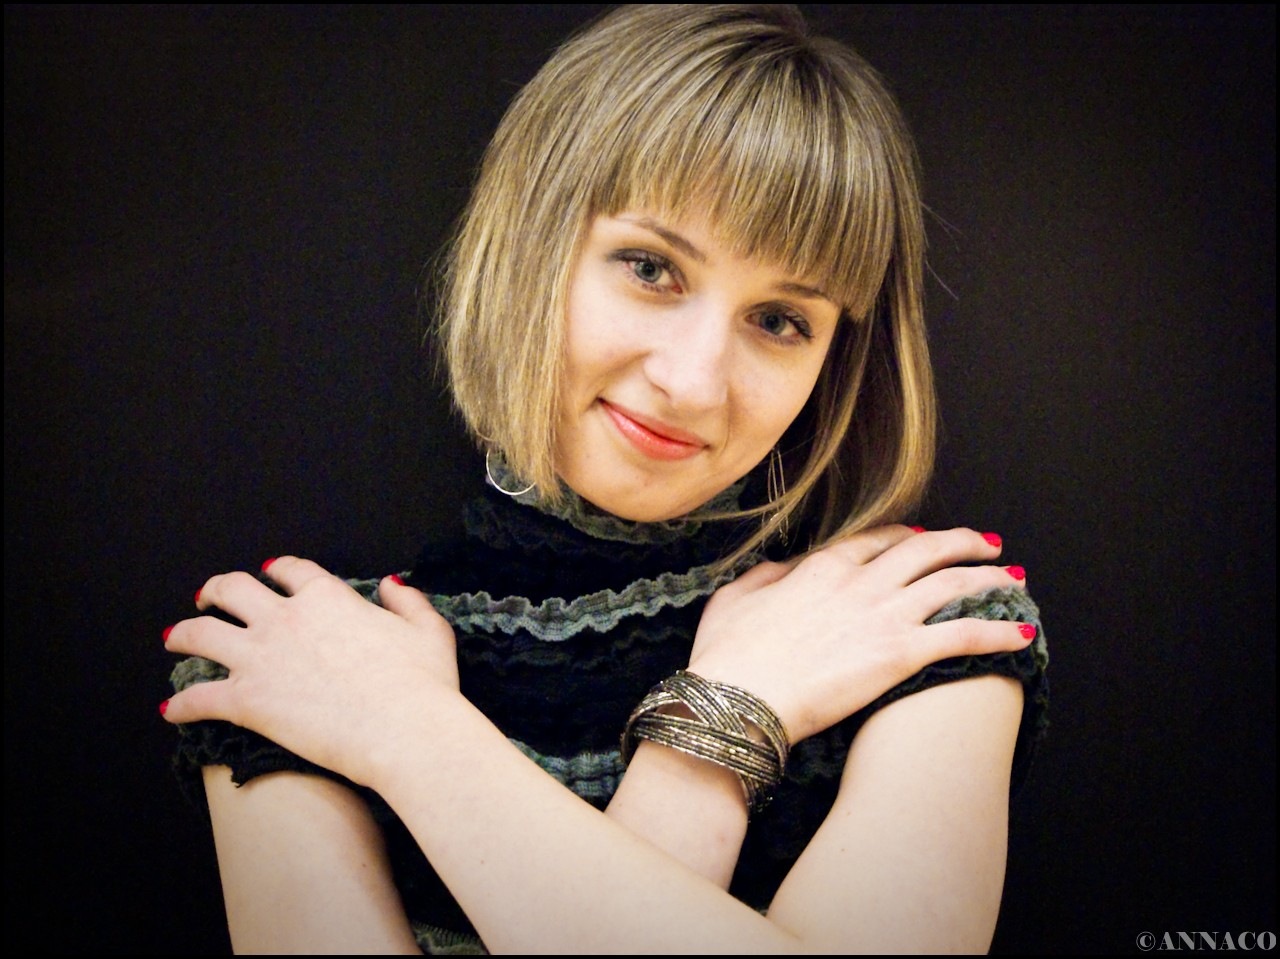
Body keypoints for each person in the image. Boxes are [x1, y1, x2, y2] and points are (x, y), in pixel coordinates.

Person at [162, 5, 1048, 953]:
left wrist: (409, 736)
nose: (694, 381)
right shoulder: (302, 656)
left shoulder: (922, 625)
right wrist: (717, 725)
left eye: (780, 321)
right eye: (650, 267)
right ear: (531, 240)